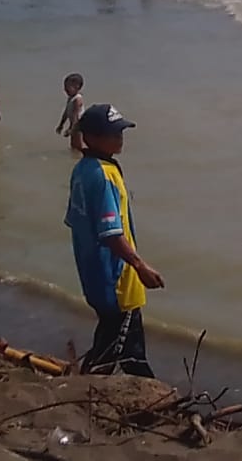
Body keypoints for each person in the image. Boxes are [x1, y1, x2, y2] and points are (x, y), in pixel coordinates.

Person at [64, 104, 164, 377]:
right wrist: (140, 266)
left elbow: (76, 221)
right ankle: (148, 401)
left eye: (121, 132)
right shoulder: (104, 175)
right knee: (130, 351)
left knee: (109, 338)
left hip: (93, 275)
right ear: (92, 138)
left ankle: (88, 381)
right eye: (113, 133)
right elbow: (111, 234)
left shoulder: (83, 170)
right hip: (117, 280)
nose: (120, 138)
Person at [56, 72, 86, 152]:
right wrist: (61, 124)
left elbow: (75, 116)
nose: (65, 89)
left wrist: (70, 128)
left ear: (77, 87)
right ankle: (74, 158)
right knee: (73, 145)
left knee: (79, 145)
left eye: (67, 87)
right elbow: (66, 112)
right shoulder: (70, 98)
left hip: (79, 126)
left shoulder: (77, 99)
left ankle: (82, 157)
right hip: (74, 126)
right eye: (64, 87)